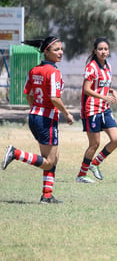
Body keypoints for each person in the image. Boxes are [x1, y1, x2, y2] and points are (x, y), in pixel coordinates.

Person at [1, 36, 74, 203]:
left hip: (35, 116)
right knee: (49, 162)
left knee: (53, 158)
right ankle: (16, 153)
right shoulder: (54, 72)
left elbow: (28, 94)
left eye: (61, 49)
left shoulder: (34, 70)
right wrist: (67, 113)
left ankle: (47, 196)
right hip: (46, 119)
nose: (60, 52)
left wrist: (37, 109)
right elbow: (55, 98)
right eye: (56, 50)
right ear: (46, 52)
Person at [75, 37, 117, 183]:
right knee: (94, 144)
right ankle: (81, 175)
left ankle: (95, 164)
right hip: (91, 110)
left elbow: (104, 85)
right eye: (100, 49)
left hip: (104, 109)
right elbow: (87, 89)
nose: (103, 52)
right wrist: (104, 97)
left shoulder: (108, 66)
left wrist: (113, 92)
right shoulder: (91, 67)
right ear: (95, 51)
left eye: (106, 49)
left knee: (116, 139)